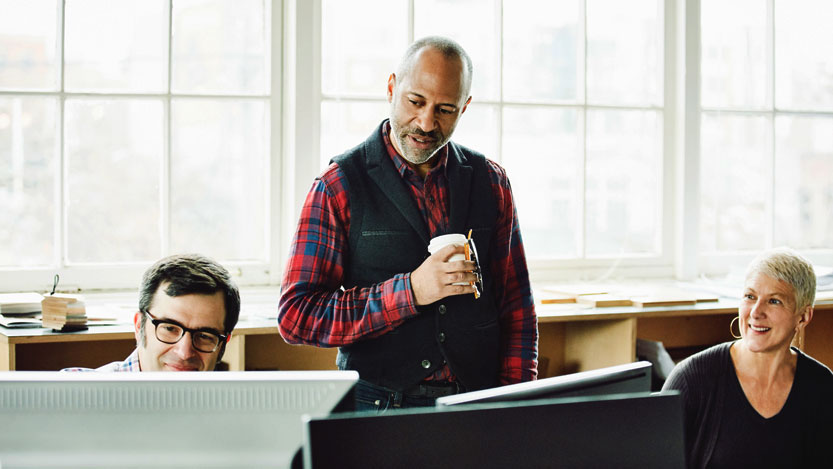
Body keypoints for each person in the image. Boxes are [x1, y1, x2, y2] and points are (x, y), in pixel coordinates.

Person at [278, 36, 538, 411]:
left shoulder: (492, 182)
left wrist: (518, 404)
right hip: (378, 408)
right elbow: (297, 316)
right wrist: (411, 291)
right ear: (391, 88)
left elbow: (517, 310)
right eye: (415, 102)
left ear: (464, 108)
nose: (426, 122)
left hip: (477, 407)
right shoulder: (338, 186)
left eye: (445, 109)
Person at [662, 247, 833, 468]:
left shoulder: (821, 387)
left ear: (803, 317)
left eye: (774, 301)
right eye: (750, 297)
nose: (755, 312)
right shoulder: (691, 381)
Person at [65, 253, 240, 372]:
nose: (185, 353)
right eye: (170, 328)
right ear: (139, 326)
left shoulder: (238, 410)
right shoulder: (71, 396)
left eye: (204, 336)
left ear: (224, 344)